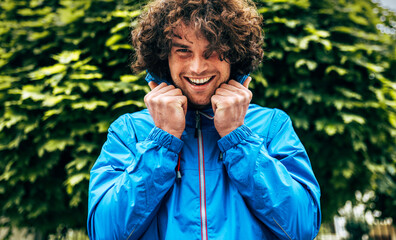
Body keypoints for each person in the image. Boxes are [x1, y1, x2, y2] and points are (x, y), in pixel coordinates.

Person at [87, 0, 321, 239]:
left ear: (235, 54)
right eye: (183, 50)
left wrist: (237, 138)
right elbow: (104, 232)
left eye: (213, 51)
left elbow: (302, 227)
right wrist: (162, 141)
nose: (197, 67)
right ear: (163, 55)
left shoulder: (272, 126)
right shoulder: (129, 131)